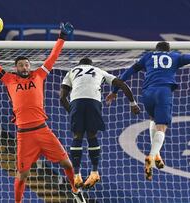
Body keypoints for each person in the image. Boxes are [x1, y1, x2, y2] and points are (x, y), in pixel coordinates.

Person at [0, 23, 86, 203]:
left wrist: (62, 36)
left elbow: (53, 57)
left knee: (67, 164)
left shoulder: (39, 75)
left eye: (26, 65)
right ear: (16, 68)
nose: (24, 67)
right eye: (21, 65)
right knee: (22, 175)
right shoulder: (9, 79)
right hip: (24, 135)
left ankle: (76, 192)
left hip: (43, 130)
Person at [106, 41, 190, 181]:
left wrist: (114, 91)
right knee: (162, 128)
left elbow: (128, 72)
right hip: (163, 92)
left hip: (147, 93)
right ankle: (150, 157)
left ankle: (156, 155)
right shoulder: (174, 56)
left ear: (156, 49)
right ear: (168, 51)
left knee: (153, 119)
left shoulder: (148, 57)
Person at [60, 57, 141, 189]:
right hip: (93, 102)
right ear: (91, 64)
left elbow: (62, 97)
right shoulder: (99, 70)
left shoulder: (72, 71)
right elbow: (121, 84)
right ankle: (94, 172)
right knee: (92, 136)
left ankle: (76, 174)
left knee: (77, 136)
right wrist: (133, 103)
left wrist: (72, 113)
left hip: (76, 103)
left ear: (79, 64)